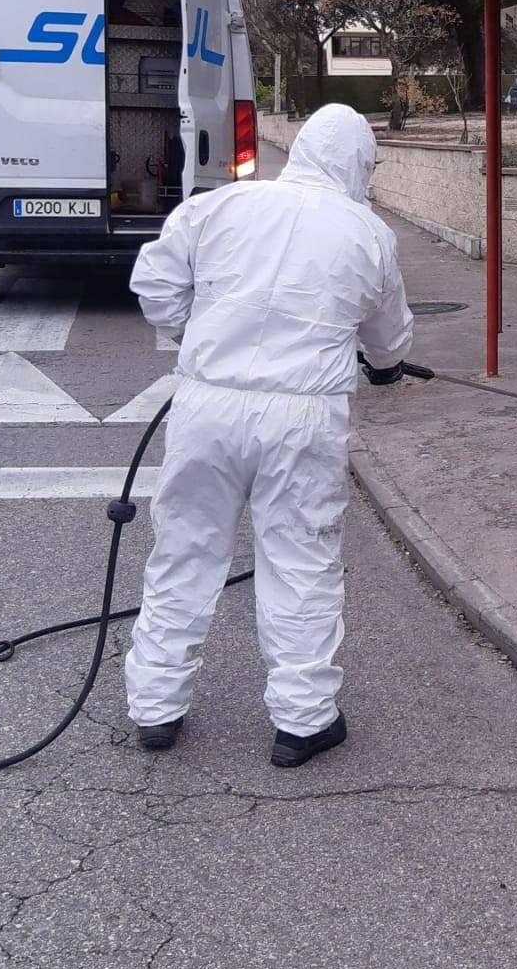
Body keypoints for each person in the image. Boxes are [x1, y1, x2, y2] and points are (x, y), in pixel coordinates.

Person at [123, 103, 414, 767]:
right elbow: (390, 336)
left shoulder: (219, 207)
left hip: (207, 406)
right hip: (303, 417)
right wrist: (388, 367)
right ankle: (302, 722)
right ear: (359, 165)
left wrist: (194, 336)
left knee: (185, 552)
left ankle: (156, 707)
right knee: (300, 559)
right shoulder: (366, 234)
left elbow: (157, 284)